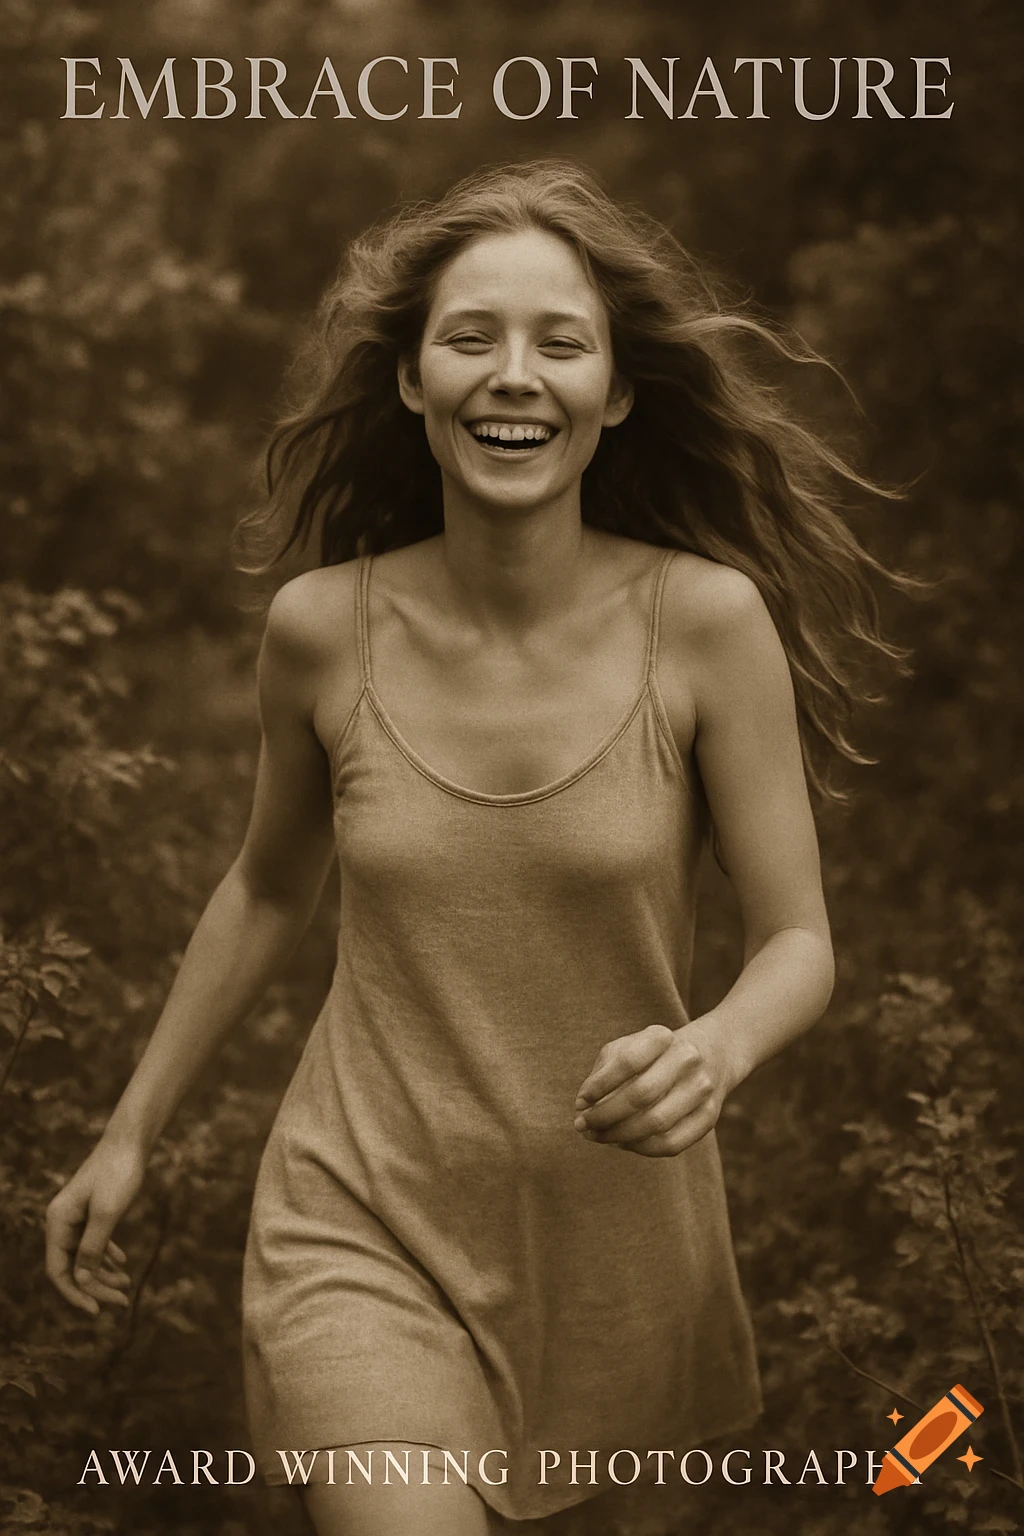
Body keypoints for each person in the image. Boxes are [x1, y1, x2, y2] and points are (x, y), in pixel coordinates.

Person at [45, 160, 906, 1535]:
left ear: (615, 393)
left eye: (560, 343)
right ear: (411, 381)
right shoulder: (323, 630)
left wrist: (716, 1048)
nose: (515, 376)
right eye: (471, 338)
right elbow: (270, 886)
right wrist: (128, 1132)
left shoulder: (706, 623)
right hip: (361, 1218)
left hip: (624, 1249)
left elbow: (798, 942)